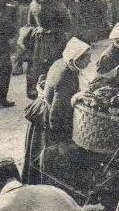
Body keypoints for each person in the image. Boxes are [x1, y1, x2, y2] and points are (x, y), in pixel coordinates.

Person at [22, 38, 91, 186]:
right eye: (87, 59)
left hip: (42, 111)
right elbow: (56, 115)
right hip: (48, 121)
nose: (90, 63)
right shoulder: (66, 77)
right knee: (50, 158)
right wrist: (63, 139)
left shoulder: (61, 62)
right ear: (76, 59)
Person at [24, 0, 74, 99]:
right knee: (55, 65)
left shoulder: (35, 1)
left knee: (37, 65)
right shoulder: (56, 3)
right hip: (54, 38)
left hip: (39, 37)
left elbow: (30, 20)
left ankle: (33, 91)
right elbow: (67, 21)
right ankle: (51, 91)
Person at [5, 0, 38, 76]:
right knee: (17, 38)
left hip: (28, 13)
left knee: (27, 37)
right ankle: (17, 65)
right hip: (16, 14)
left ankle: (31, 64)